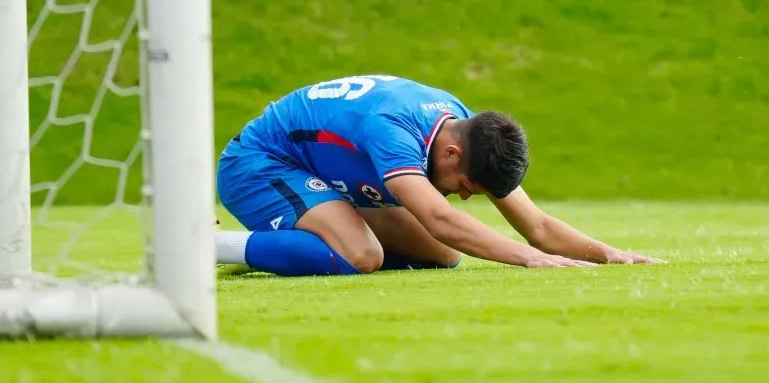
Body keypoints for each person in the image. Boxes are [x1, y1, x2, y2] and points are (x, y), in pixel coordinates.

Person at [214, 74, 663, 276]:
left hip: (322, 176)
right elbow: (441, 219)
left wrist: (609, 254)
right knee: (361, 256)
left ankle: (293, 248)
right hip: (259, 165)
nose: (464, 198)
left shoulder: (466, 129)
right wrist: (528, 260)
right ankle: (207, 247)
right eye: (466, 189)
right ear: (451, 153)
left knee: (444, 257)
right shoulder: (394, 132)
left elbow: (538, 226)